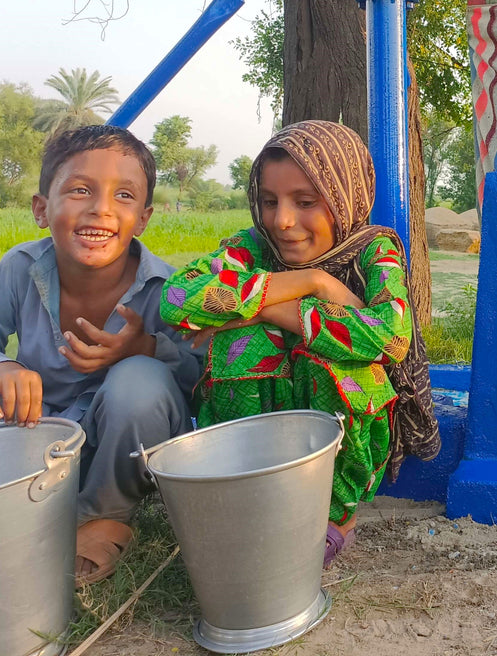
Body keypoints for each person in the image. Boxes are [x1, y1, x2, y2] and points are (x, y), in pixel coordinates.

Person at [161, 120, 439, 567]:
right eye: (269, 202)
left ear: (345, 195)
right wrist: (311, 283)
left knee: (322, 350)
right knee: (252, 338)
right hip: (261, 433)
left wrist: (249, 304)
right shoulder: (253, 244)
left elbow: (389, 337)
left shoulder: (375, 251)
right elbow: (177, 298)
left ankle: (336, 518)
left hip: (347, 422)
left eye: (306, 202)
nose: (282, 221)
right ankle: (244, 491)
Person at [0, 125, 201, 585]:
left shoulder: (166, 291)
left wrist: (143, 347)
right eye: (80, 189)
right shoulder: (19, 268)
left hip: (125, 447)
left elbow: (198, 385)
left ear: (144, 219)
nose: (101, 208)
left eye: (124, 195)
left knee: (140, 380)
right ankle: (39, 502)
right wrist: (6, 365)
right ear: (40, 208)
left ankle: (106, 514)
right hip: (39, 431)